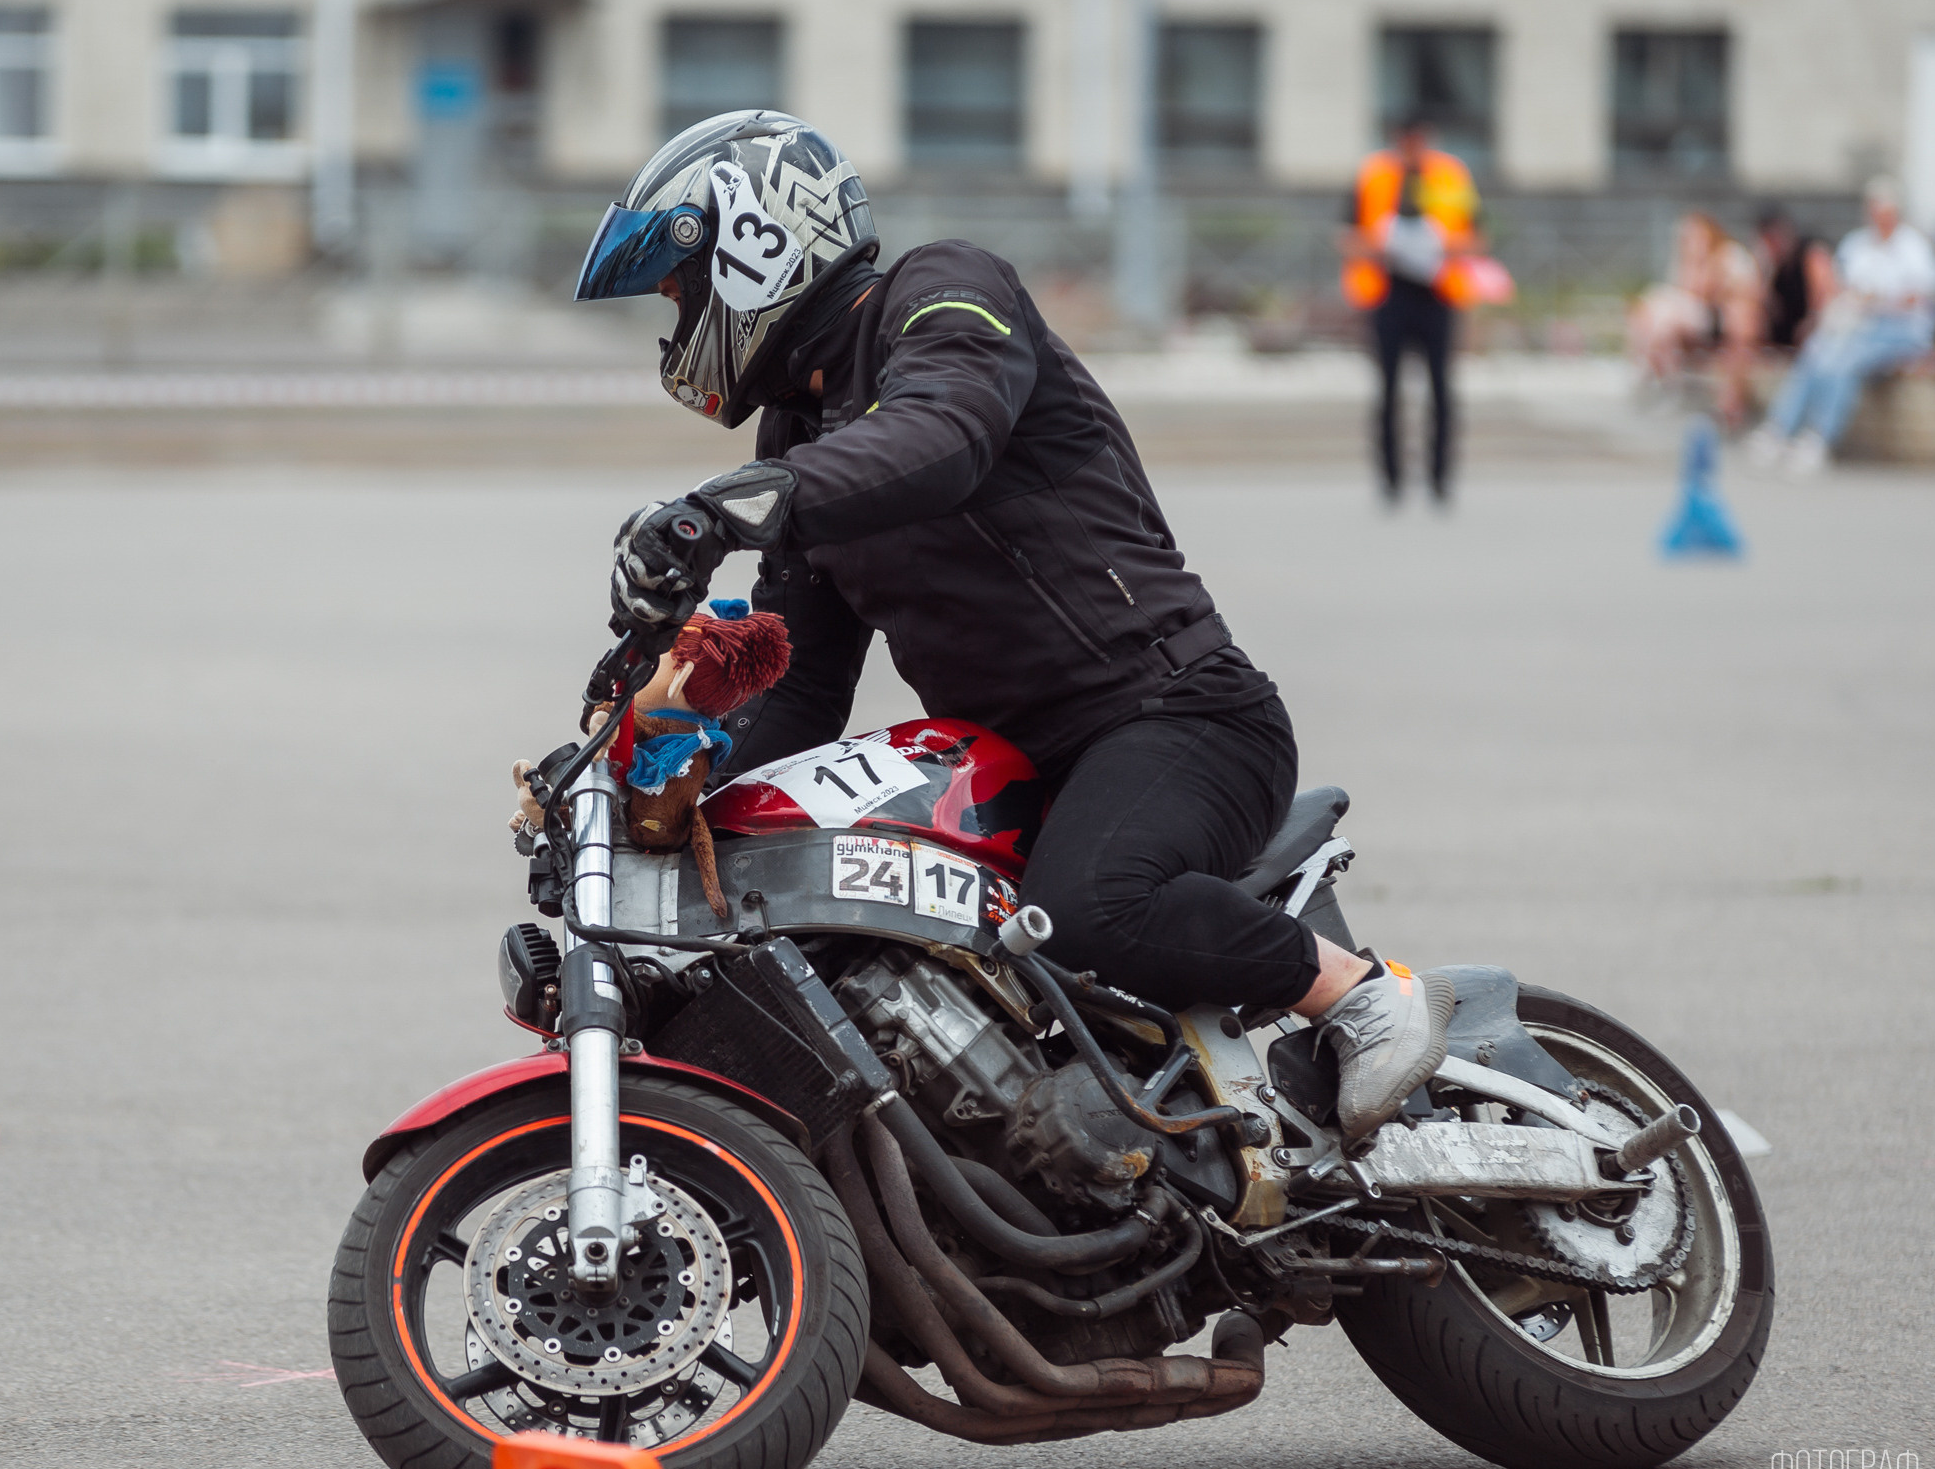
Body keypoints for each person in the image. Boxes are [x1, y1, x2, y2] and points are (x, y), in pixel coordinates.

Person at [567, 110, 1452, 1140]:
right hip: (1020, 771)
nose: (675, 318)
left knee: (1090, 911)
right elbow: (799, 680)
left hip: (1175, 715)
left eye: (678, 286)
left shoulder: (942, 290)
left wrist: (725, 504)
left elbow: (943, 435)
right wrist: (653, 789)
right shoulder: (800, 434)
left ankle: (1362, 996)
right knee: (844, 929)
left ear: (755, 240)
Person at [1746, 177, 1935, 475]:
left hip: (1901, 331)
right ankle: (1778, 428)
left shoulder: (1912, 246)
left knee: (1844, 362)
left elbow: (1917, 298)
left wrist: (1877, 302)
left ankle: (1819, 438)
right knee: (1816, 351)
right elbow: (1843, 289)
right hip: (1860, 326)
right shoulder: (1857, 244)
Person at [1340, 115, 1485, 507]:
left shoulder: (1451, 175)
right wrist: (1382, 247)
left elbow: (1476, 237)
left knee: (1442, 388)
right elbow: (1347, 236)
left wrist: (1439, 245)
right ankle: (1390, 480)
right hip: (1389, 293)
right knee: (1387, 389)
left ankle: (1440, 479)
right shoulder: (1373, 175)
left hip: (1438, 293)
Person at [1626, 212, 1765, 426]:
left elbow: (1736, 292)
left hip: (1723, 319)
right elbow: (1685, 292)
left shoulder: (1728, 255)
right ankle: (1655, 372)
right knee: (1653, 312)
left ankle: (1662, 379)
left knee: (1664, 319)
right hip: (1710, 319)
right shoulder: (1689, 259)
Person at [1753, 204, 1834, 349]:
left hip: (1813, 327)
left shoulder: (1810, 253)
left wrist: (1811, 321)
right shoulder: (1773, 264)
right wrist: (1765, 269)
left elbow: (1823, 298)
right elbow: (1767, 306)